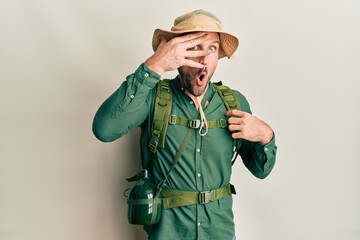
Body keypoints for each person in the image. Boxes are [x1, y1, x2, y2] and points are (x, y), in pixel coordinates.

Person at [92, 9, 277, 240]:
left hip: (220, 233)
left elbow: (261, 171)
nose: (204, 58)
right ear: (176, 53)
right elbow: (104, 129)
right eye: (194, 47)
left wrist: (267, 137)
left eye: (211, 48)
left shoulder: (234, 102)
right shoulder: (153, 97)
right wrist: (155, 65)